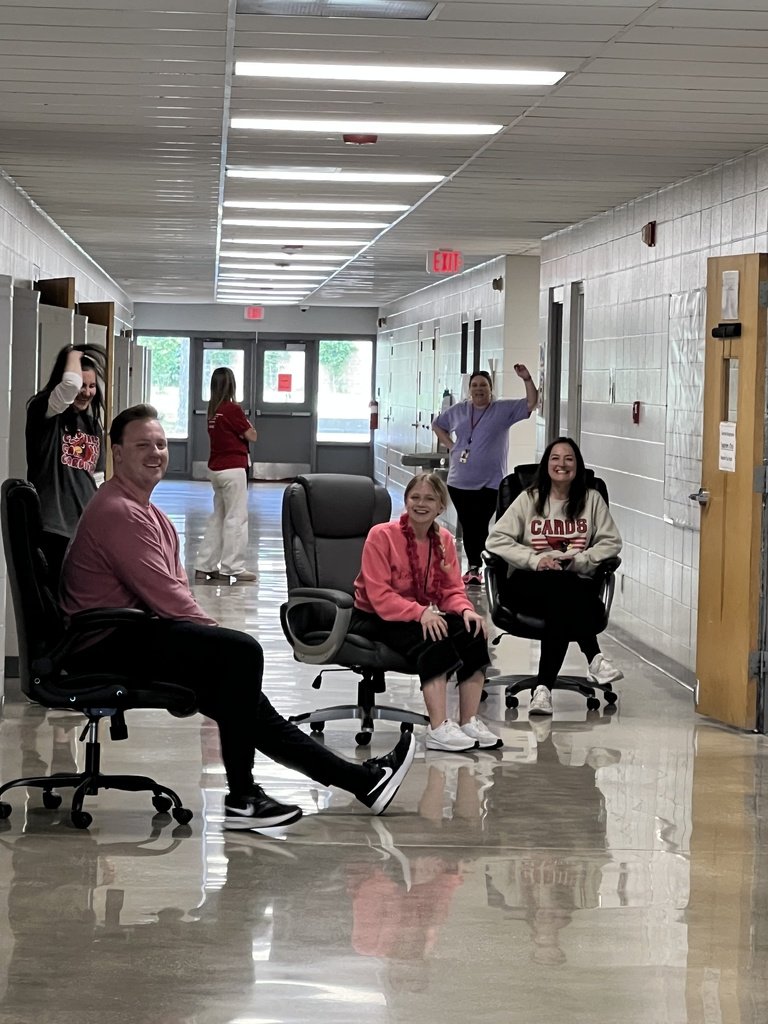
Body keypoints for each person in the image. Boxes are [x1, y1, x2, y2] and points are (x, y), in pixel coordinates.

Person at [59, 404, 415, 830]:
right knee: (239, 655)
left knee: (241, 698)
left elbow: (171, 591)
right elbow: (168, 597)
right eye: (142, 446)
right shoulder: (120, 512)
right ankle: (252, 797)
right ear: (116, 452)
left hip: (125, 633)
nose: (155, 453)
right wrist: (213, 637)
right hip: (102, 644)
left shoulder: (143, 509)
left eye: (160, 444)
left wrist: (207, 642)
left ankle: (353, 783)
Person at [350, 472, 500, 753]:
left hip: (415, 613)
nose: (421, 503)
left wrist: (466, 610)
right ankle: (438, 727)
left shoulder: (443, 540)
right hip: (373, 617)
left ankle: (469, 721)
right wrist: (420, 614)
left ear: (441, 506)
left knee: (471, 631)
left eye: (429, 498)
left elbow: (451, 589)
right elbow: (379, 596)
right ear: (405, 501)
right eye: (415, 497)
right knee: (434, 636)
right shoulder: (381, 536)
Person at [484, 436, 623, 716]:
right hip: (527, 583)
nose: (562, 464)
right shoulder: (529, 499)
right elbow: (495, 540)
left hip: (572, 582)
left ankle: (542, 690)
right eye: (555, 458)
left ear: (577, 465)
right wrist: (535, 560)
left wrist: (580, 560)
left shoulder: (591, 499)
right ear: (547, 465)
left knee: (560, 595)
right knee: (563, 588)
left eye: (569, 459)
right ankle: (594, 657)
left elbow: (611, 542)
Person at [432, 366, 538, 587]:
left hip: (491, 481)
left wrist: (527, 379)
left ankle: (479, 564)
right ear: (470, 389)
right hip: (459, 481)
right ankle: (474, 566)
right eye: (475, 385)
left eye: (483, 385)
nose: (479, 389)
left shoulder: (502, 410)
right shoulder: (460, 410)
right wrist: (452, 446)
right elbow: (438, 424)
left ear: (491, 389)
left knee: (481, 522)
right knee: (470, 523)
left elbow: (531, 403)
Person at [25, 343, 107, 585]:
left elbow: (98, 479)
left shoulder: (92, 424)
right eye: (83, 385)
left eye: (92, 386)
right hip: (53, 529)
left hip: (85, 530)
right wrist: (73, 352)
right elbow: (69, 387)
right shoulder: (46, 412)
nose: (87, 392)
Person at [194, 366, 258, 582]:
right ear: (232, 385)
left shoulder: (212, 410)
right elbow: (252, 435)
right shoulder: (232, 409)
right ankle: (233, 567)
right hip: (233, 469)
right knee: (236, 518)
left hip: (216, 469)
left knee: (218, 517)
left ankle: (204, 565)